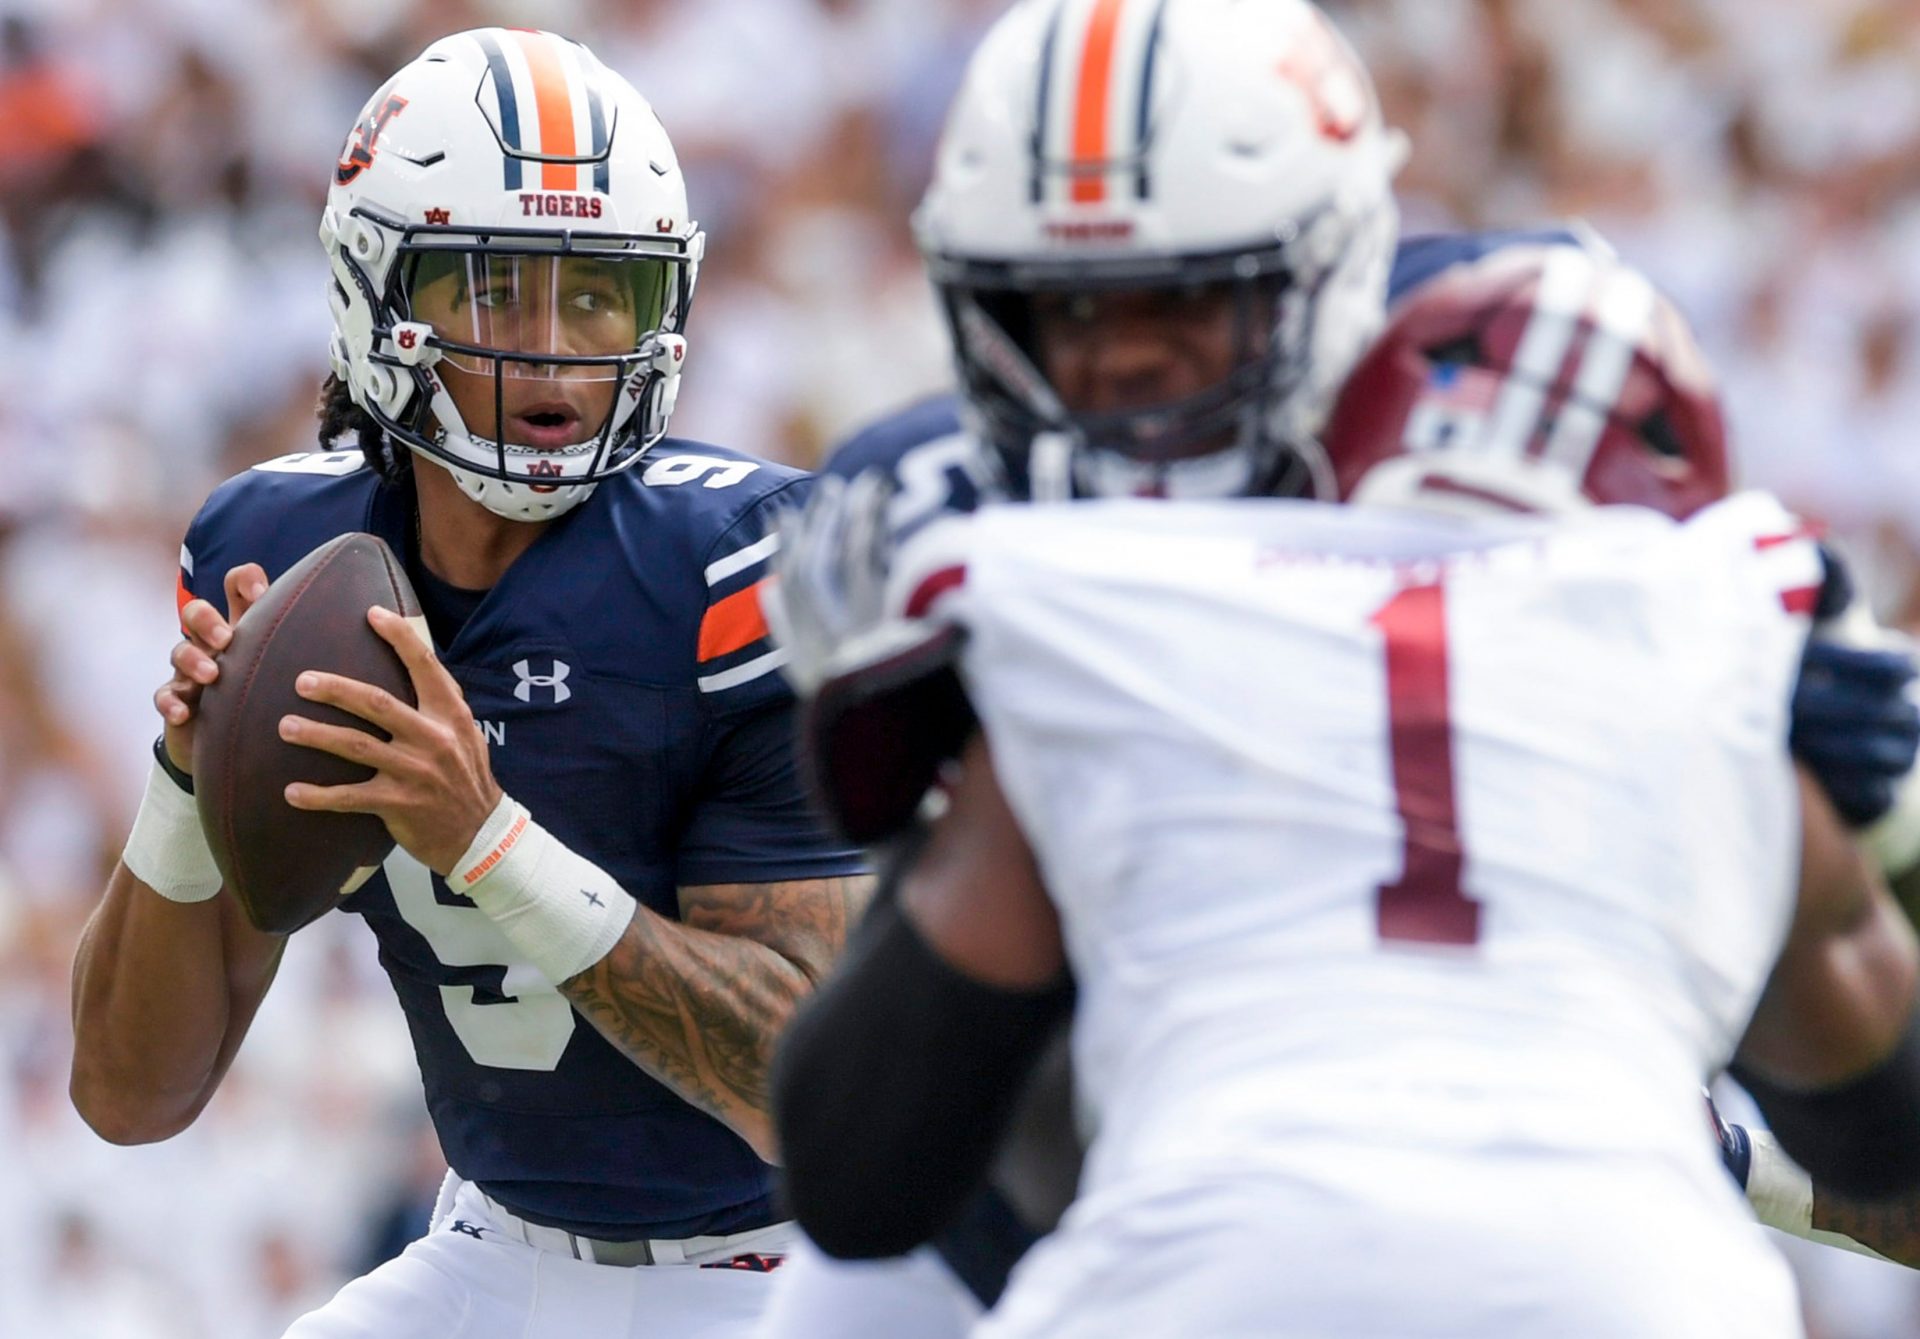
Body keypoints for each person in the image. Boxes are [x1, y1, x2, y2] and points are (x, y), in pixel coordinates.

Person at [753, 2, 1920, 1333]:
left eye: (1192, 297)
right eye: (1061, 305)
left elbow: (865, 1156)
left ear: (1337, 282)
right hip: (1137, 1206)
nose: (1125, 358)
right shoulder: (1665, 579)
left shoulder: (1453, 424)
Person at [68, 28, 868, 1339]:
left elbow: (813, 1093)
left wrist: (487, 843)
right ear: (373, 293)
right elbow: (130, 1097)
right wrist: (182, 776)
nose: (553, 353)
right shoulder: (279, 558)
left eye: (599, 296)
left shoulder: (739, 565)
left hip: (794, 1274)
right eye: (496, 293)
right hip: (493, 1250)